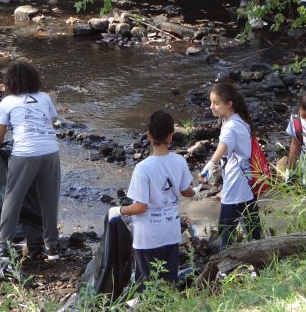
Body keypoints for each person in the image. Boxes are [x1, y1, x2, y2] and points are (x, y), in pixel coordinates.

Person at [108, 111, 199, 286]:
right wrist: (196, 193)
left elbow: (140, 207)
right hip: (171, 233)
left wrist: (117, 210)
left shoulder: (143, 168)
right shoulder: (179, 161)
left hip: (148, 237)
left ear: (149, 135)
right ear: (171, 136)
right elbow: (185, 190)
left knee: (148, 286)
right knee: (169, 282)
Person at [0, 59, 61, 262]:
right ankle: (52, 247)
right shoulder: (44, 97)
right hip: (50, 151)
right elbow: (52, 121)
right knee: (49, 200)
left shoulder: (7, 102)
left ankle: (2, 247)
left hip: (25, 153)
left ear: (10, 82)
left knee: (13, 198)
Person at [198, 82, 262, 251]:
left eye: (216, 103)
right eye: (211, 102)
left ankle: (225, 268)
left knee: (226, 229)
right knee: (253, 228)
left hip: (236, 184)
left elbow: (223, 145)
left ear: (229, 103)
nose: (211, 107)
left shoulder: (231, 126)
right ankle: (262, 266)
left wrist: (210, 165)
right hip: (247, 181)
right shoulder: (238, 120)